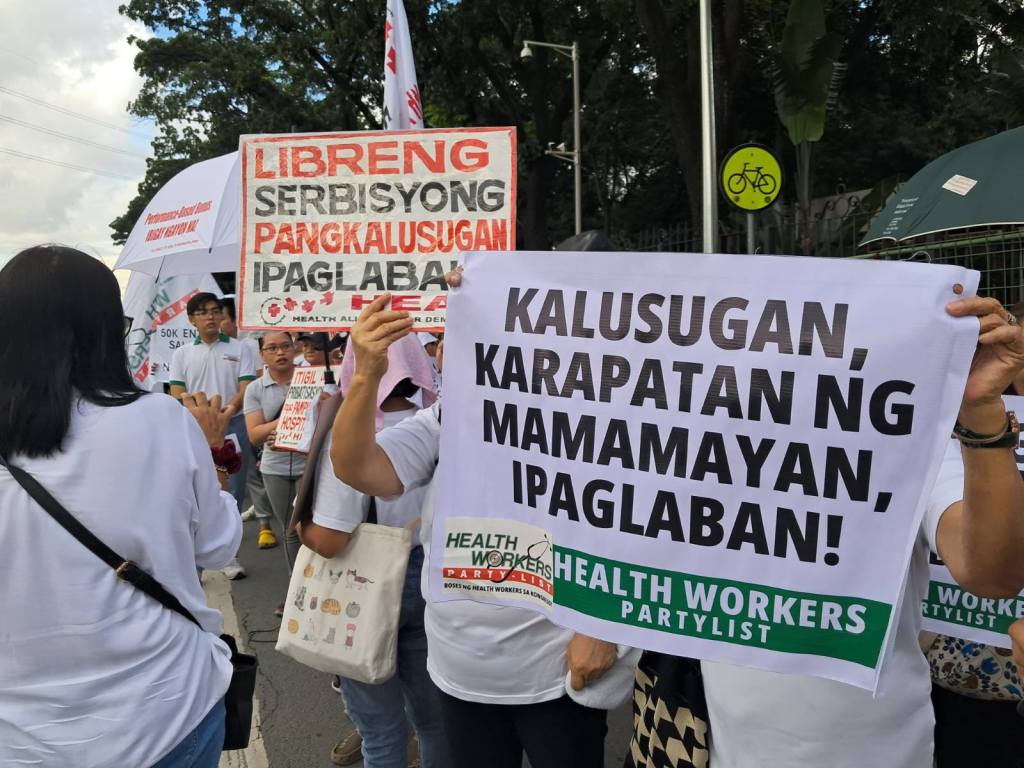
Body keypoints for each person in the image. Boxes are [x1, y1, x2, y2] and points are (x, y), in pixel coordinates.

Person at [329, 292, 618, 768]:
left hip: (557, 671)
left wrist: (602, 628)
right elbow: (359, 468)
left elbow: (634, 532)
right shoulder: (444, 419)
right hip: (459, 672)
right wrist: (366, 377)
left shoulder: (595, 420)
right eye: (451, 338)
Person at [0, 245, 243, 767]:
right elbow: (218, 546)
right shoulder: (161, 419)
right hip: (165, 712)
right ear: (107, 331)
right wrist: (214, 457)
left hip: (21, 738)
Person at [298, 335, 445, 768]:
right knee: (435, 722)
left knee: (381, 731)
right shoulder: (442, 418)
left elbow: (330, 539)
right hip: (432, 573)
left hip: (365, 580)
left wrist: (301, 522)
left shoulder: (351, 433)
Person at [170, 292, 257, 579]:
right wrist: (202, 415)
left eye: (215, 310)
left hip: (234, 425)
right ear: (191, 319)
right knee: (196, 490)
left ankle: (229, 556)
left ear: (222, 315)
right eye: (203, 312)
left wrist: (226, 412)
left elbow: (246, 387)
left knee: (232, 488)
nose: (210, 316)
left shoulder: (241, 348)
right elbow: (177, 391)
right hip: (194, 429)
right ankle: (194, 564)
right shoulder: (182, 353)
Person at [244, 331, 305, 568]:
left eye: (285, 346)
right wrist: (287, 419)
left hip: (309, 464)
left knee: (310, 528)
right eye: (272, 348)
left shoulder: (311, 379)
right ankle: (294, 585)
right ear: (262, 355)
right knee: (289, 529)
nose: (280, 353)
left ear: (294, 348)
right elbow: (254, 434)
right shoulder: (255, 389)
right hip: (274, 468)